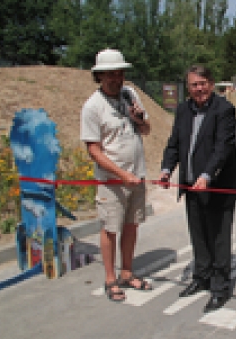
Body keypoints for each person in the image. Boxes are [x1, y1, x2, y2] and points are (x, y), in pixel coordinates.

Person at [160, 65, 236, 313]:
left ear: (212, 83)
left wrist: (207, 175)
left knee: (218, 238)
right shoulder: (183, 110)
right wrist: (166, 169)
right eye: (194, 84)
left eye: (203, 83)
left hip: (218, 186)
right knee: (198, 235)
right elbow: (174, 143)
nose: (199, 88)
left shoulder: (224, 110)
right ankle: (201, 277)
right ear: (189, 87)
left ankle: (220, 287)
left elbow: (222, 148)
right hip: (191, 184)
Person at [80, 48, 152, 302]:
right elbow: (94, 150)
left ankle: (127, 272)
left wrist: (140, 119)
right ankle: (110, 279)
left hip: (137, 176)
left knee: (132, 226)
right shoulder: (92, 107)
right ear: (99, 76)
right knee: (110, 228)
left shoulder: (130, 94)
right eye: (110, 74)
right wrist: (121, 174)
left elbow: (147, 130)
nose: (116, 78)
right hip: (112, 181)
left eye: (119, 72)